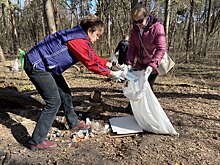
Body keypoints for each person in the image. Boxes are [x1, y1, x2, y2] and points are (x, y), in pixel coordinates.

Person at [24, 14, 123, 150]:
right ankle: (36, 141)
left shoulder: (80, 36)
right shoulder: (77, 39)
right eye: (98, 35)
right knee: (53, 102)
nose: (98, 38)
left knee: (65, 95)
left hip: (48, 67)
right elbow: (89, 63)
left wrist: (109, 65)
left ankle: (74, 123)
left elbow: (92, 57)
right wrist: (111, 74)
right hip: (38, 66)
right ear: (90, 31)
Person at [125, 2, 166, 112]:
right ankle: (132, 109)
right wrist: (129, 63)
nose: (138, 24)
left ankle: (148, 111)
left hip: (152, 65)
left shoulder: (157, 27)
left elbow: (161, 49)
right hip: (139, 64)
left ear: (146, 16)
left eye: (140, 21)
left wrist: (152, 65)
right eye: (135, 21)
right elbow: (131, 49)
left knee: (147, 88)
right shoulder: (135, 31)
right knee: (135, 86)